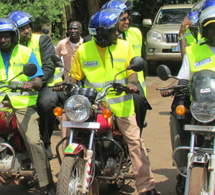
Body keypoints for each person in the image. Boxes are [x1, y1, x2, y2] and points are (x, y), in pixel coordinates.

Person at [70, 9, 160, 195]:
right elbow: (75, 76)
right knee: (71, 129)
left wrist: (133, 84)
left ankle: (146, 185)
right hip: (94, 106)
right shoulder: (83, 50)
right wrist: (67, 87)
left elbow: (131, 72)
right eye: (112, 30)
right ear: (101, 33)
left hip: (121, 105)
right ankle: (71, 173)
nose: (117, 33)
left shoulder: (124, 46)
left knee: (135, 142)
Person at [160, 5, 215, 194]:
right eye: (211, 27)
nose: (214, 30)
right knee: (177, 113)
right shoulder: (193, 52)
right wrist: (170, 88)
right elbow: (183, 77)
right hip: (199, 103)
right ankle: (184, 170)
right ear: (203, 29)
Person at [0, 18, 55, 195]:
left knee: (34, 141)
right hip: (2, 104)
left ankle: (47, 182)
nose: (3, 40)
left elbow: (38, 79)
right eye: (0, 37)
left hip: (23, 104)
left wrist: (31, 84)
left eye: (6, 36)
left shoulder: (25, 52)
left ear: (13, 37)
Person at [7, 11, 64, 160]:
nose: (27, 31)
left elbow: (48, 67)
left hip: (43, 84)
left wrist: (35, 83)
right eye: (22, 28)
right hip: (18, 87)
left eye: (28, 27)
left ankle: (45, 142)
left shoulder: (42, 40)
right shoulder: (12, 44)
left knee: (47, 103)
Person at [101, 0, 151, 134]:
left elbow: (143, 60)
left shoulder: (136, 33)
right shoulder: (98, 38)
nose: (127, 21)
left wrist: (137, 84)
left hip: (132, 81)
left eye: (128, 17)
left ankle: (137, 135)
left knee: (139, 100)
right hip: (107, 82)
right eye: (122, 18)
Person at [55, 20, 83, 151]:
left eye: (76, 29)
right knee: (66, 113)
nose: (73, 31)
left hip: (82, 85)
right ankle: (66, 146)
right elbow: (54, 62)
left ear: (80, 31)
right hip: (66, 85)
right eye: (71, 29)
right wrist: (57, 80)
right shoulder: (62, 44)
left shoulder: (86, 46)